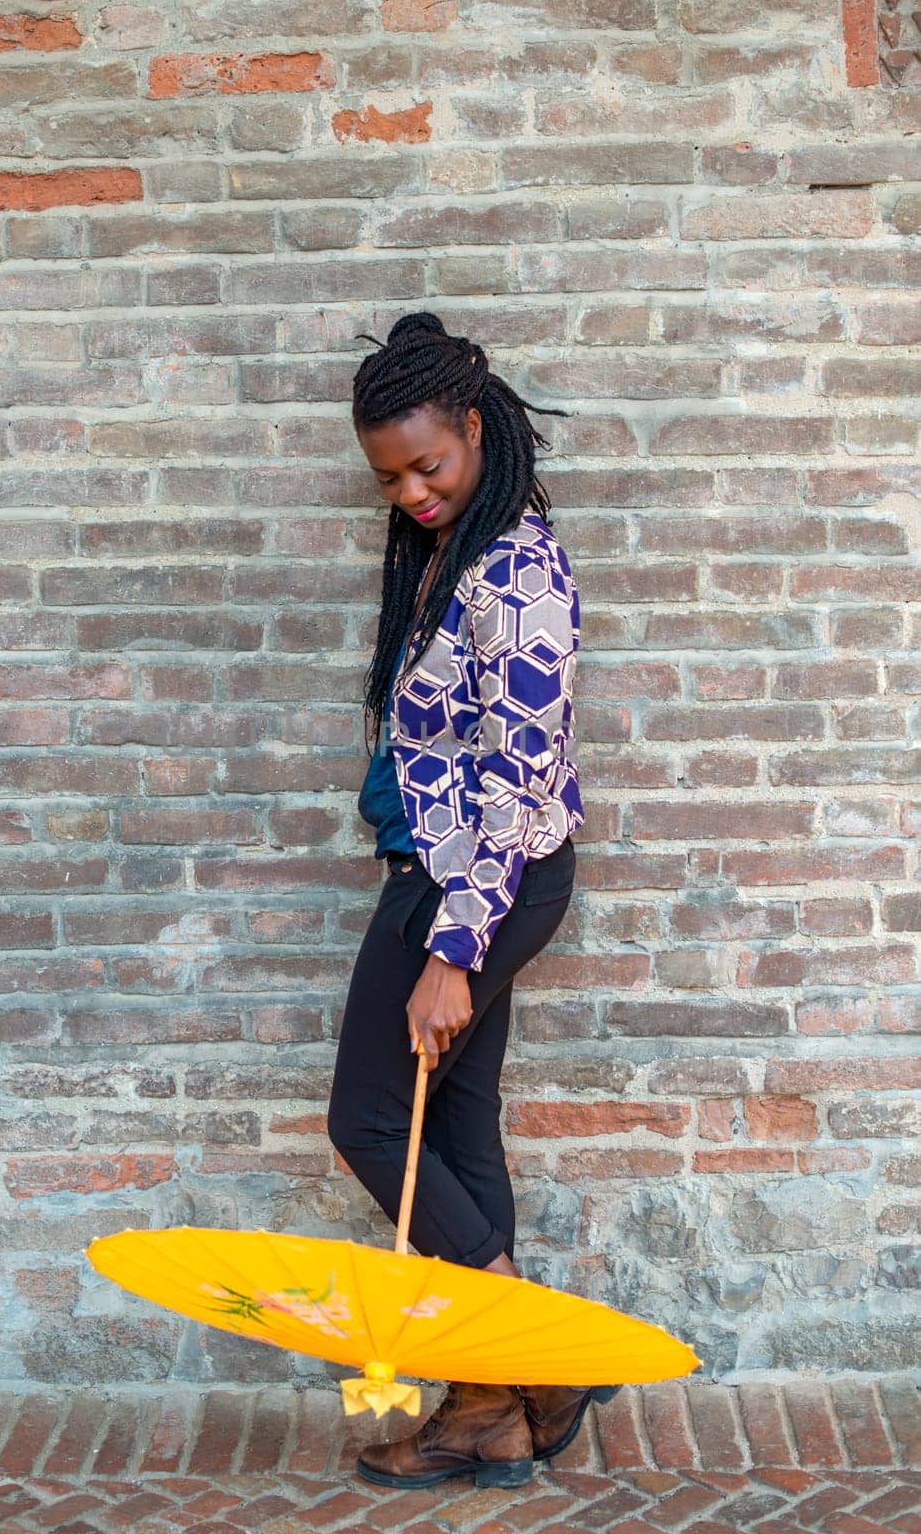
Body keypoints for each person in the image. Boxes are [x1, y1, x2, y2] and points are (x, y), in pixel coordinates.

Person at [327, 312, 619, 1490]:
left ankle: (535, 1360)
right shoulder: (452, 548)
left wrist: (452, 948)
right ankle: (490, 1410)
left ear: (478, 430)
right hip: (455, 874)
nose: (410, 491)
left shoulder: (522, 573)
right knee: (453, 1123)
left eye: (427, 465)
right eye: (389, 476)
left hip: (480, 884)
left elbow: (517, 777)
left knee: (370, 1117)